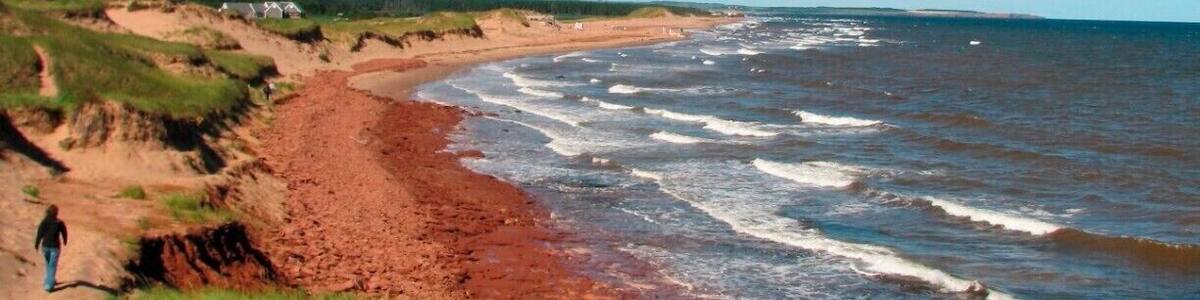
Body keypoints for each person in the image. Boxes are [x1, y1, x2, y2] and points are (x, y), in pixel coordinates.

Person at [34, 205, 67, 292]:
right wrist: (65, 240)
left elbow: (39, 234)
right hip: (54, 247)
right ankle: (49, 283)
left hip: (45, 247)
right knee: (51, 265)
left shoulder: (44, 222)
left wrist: (37, 244)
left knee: (49, 264)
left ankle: (49, 281)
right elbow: (64, 232)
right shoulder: (59, 222)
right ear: (56, 213)